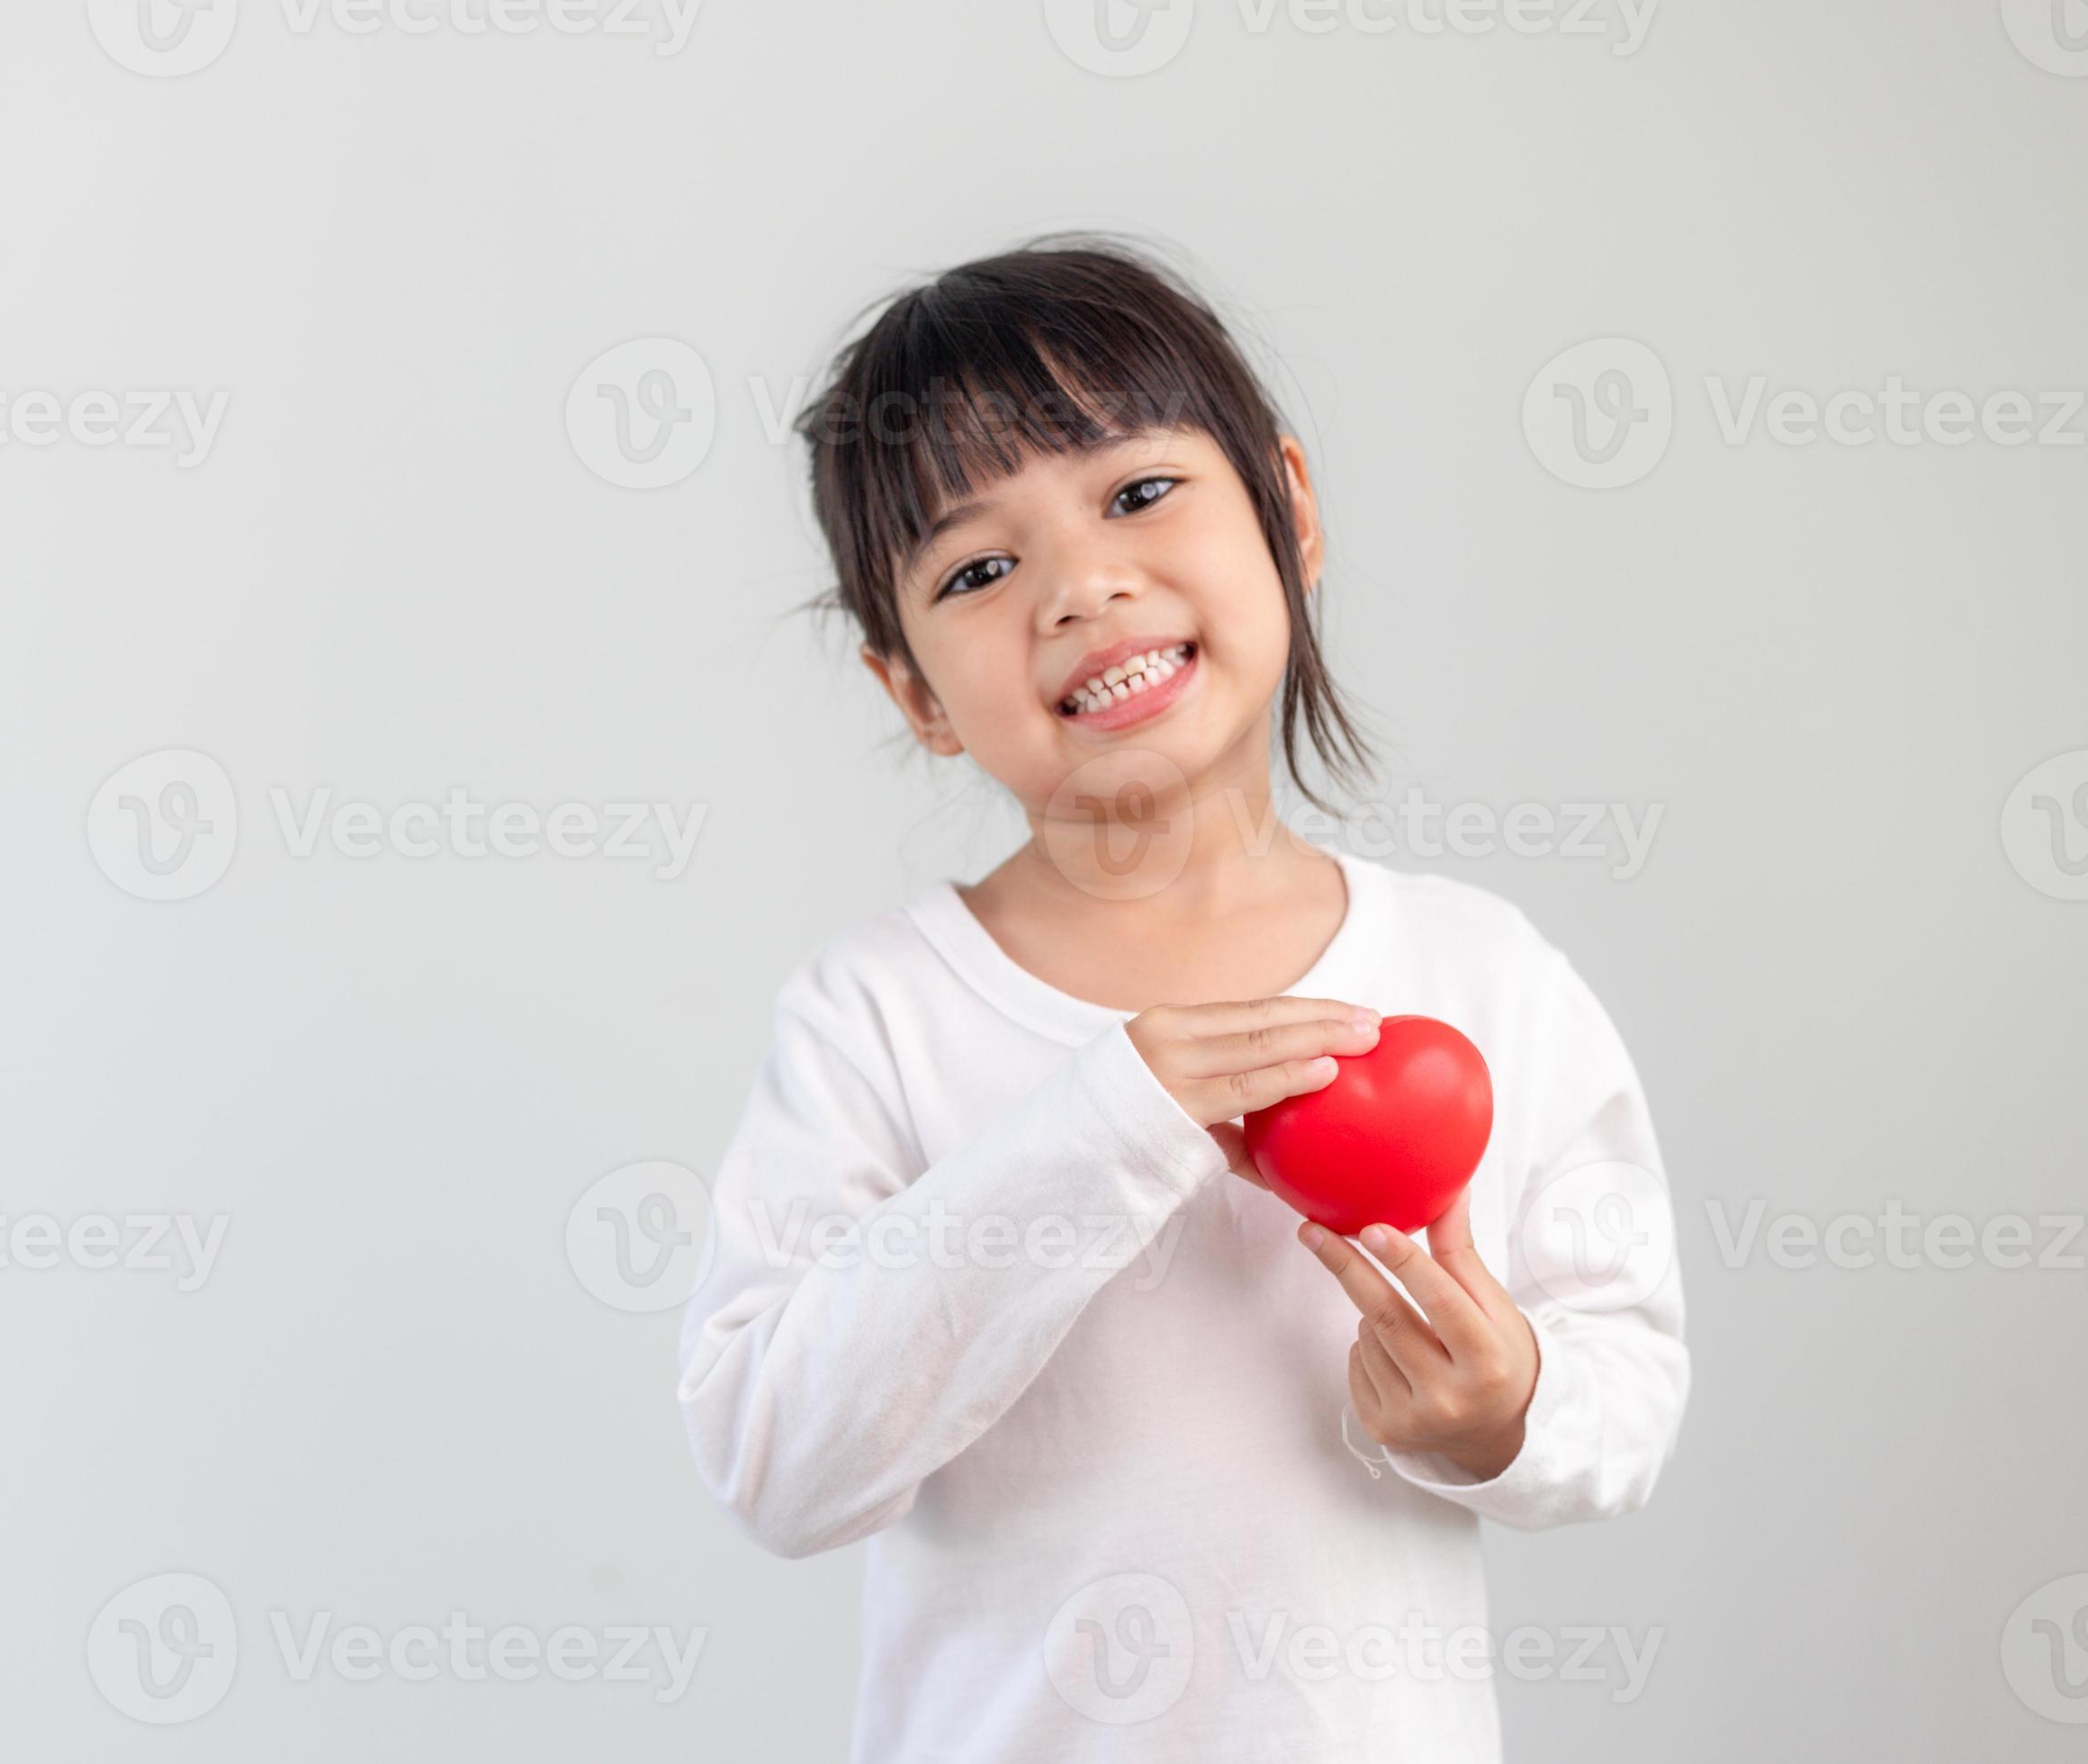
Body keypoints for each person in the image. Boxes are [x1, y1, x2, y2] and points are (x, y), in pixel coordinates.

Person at [673, 237, 1689, 1761]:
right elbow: (776, 1459)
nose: (1084, 587)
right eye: (979, 569)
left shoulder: (1483, 972)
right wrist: (1104, 1127)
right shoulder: (875, 1014)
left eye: (1139, 492)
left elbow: (1628, 1375)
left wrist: (1508, 1411)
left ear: (1289, 509)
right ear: (914, 696)